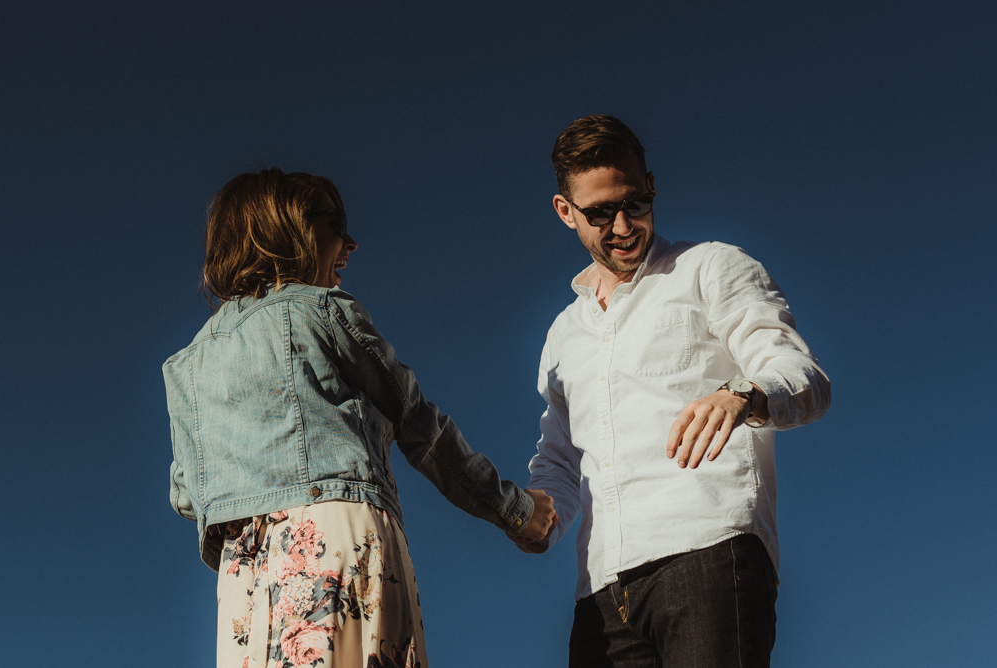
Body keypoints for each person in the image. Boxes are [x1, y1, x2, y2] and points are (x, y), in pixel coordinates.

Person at [163, 168, 557, 668]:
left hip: (244, 572)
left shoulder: (186, 367)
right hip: (333, 536)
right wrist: (516, 511)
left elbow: (186, 496)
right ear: (289, 228)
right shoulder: (320, 312)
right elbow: (420, 426)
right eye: (336, 222)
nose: (350, 243)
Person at [512, 116, 831, 667]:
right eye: (600, 213)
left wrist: (741, 393)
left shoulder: (710, 267)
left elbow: (802, 376)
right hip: (599, 590)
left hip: (708, 553)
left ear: (651, 183)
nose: (623, 226)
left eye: (636, 203)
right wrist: (537, 513)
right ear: (566, 211)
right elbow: (560, 460)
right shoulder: (563, 334)